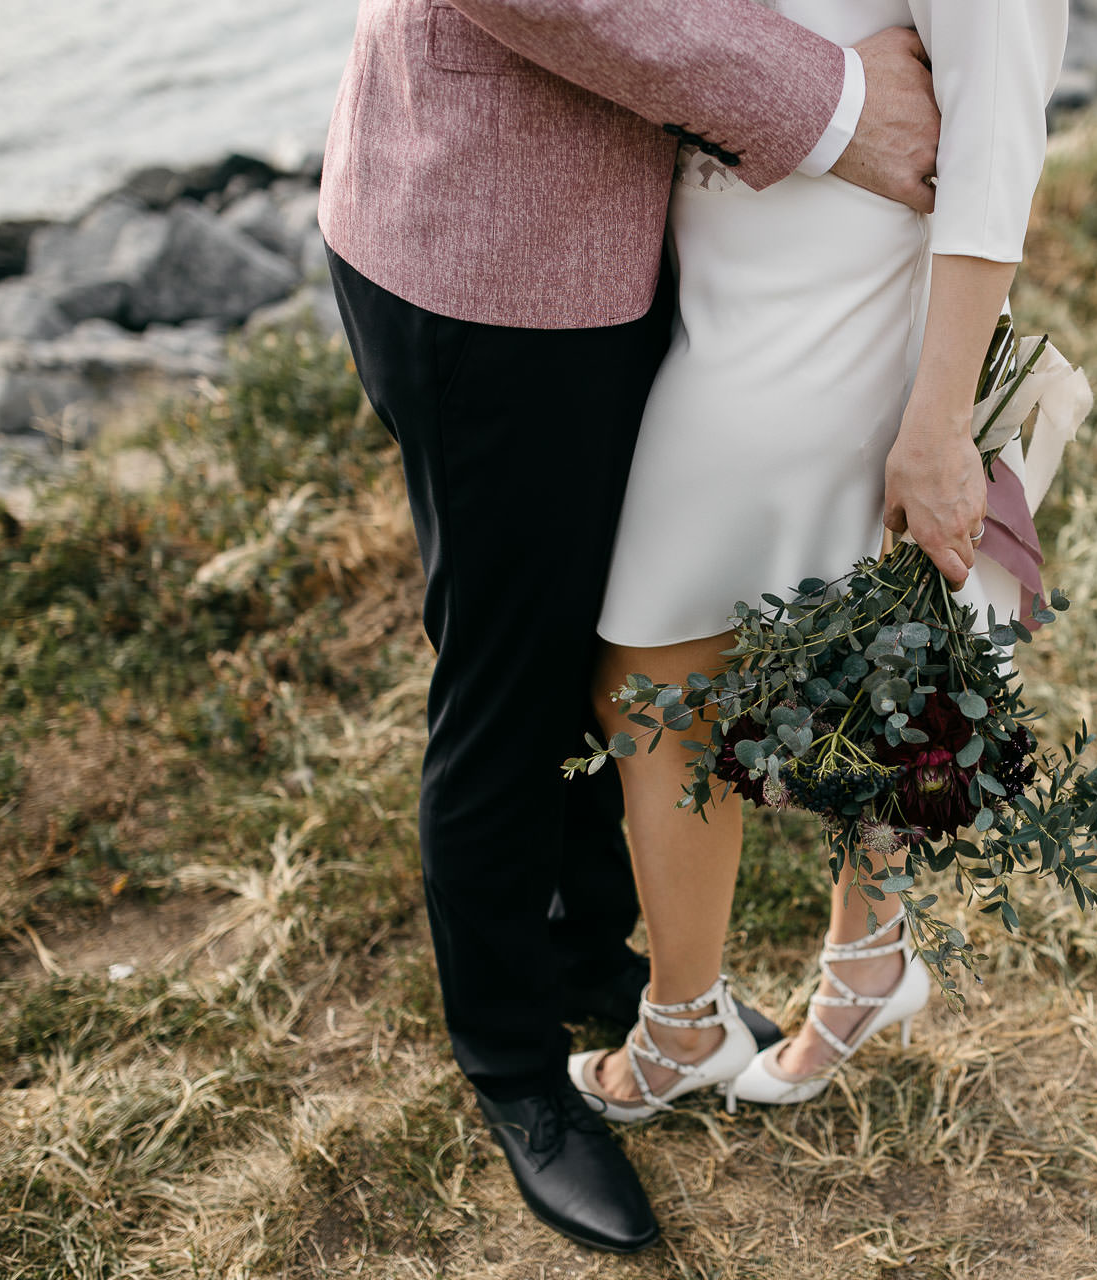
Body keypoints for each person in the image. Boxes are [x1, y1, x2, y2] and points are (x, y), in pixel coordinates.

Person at [318, 0, 942, 1255]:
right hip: (487, 247)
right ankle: (515, 1064)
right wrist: (831, 102)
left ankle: (607, 970)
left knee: (601, 649)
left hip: (632, 247)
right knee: (512, 674)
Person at [573, 0, 1065, 1120]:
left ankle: (730, 1006)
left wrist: (939, 421)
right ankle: (822, 975)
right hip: (719, 296)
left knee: (670, 672)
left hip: (839, 323)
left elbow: (996, 149)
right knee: (828, 656)